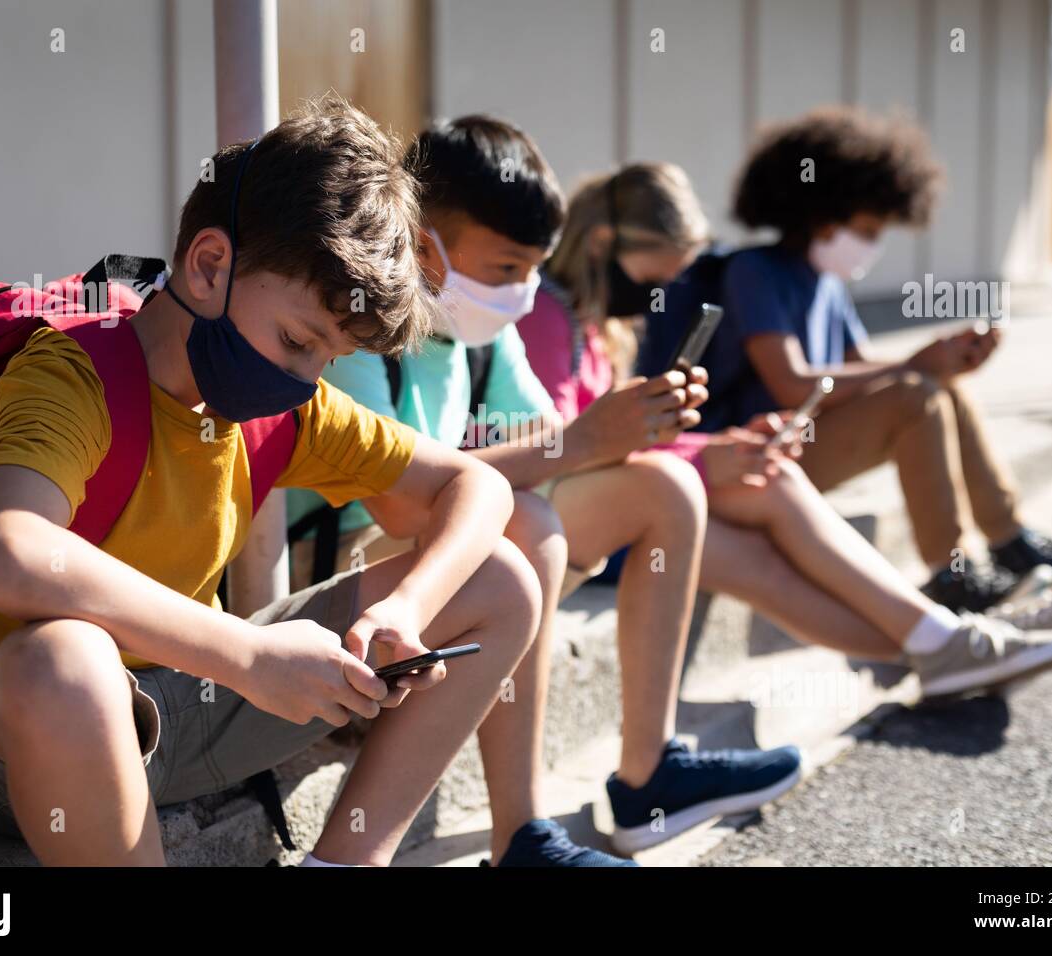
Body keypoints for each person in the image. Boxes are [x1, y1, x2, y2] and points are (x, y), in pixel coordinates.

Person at [0, 97, 540, 867]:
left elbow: (477, 489)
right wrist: (246, 654)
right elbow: (6, 554)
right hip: (29, 744)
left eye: (328, 358)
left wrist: (403, 613)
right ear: (210, 267)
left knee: (501, 577)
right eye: (297, 340)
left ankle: (344, 862)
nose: (306, 379)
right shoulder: (70, 377)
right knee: (65, 662)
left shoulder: (277, 408)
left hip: (191, 699)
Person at [282, 116, 804, 864]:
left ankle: (647, 778)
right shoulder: (354, 332)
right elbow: (401, 502)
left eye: (534, 269)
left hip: (435, 567)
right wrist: (586, 438)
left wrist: (645, 430)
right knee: (525, 524)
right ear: (422, 240)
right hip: (342, 581)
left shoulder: (481, 332)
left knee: (663, 487)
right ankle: (521, 834)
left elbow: (555, 447)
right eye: (503, 269)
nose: (522, 291)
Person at [515, 161, 1052, 717]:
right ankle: (957, 638)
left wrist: (719, 446)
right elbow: (572, 452)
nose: (662, 293)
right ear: (601, 243)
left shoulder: (594, 326)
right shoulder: (547, 316)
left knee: (770, 530)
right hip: (600, 518)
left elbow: (609, 445)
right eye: (656, 278)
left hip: (629, 503)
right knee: (774, 504)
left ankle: (955, 642)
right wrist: (705, 454)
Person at [635, 107, 1052, 613]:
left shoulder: (826, 283)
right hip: (752, 458)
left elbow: (861, 371)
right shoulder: (755, 271)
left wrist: (942, 361)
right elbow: (793, 386)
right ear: (823, 215)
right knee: (917, 393)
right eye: (866, 229)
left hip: (804, 445)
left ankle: (1010, 541)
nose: (871, 245)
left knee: (939, 386)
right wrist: (914, 364)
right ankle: (952, 576)